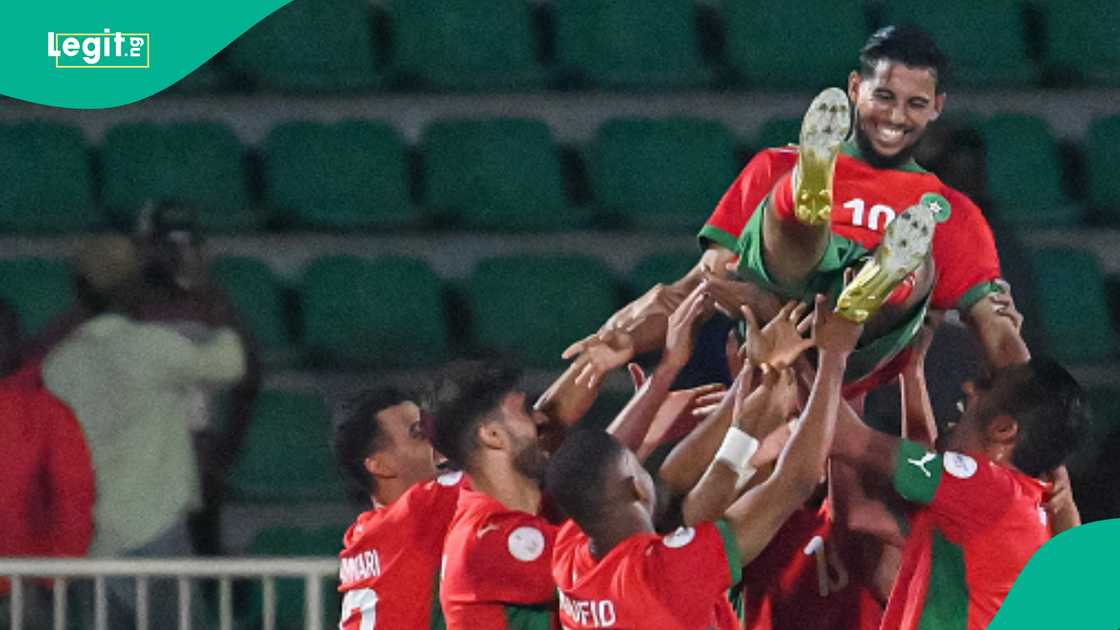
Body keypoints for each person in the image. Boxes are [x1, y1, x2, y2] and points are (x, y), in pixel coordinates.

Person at [545, 294, 864, 629]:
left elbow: (688, 483)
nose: (650, 471)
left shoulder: (571, 556)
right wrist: (833, 359)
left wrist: (762, 378)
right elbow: (794, 482)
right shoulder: (664, 576)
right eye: (640, 467)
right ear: (636, 487)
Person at [41, 235, 246, 628]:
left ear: (78, 289)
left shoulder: (60, 364)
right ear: (137, 288)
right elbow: (231, 362)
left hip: (93, 537)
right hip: (156, 527)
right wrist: (212, 301)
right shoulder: (153, 348)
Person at [829, 357, 1086, 629]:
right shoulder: (1021, 505)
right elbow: (922, 474)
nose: (969, 387)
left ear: (1003, 430)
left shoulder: (991, 490)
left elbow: (847, 440)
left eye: (985, 386)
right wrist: (911, 369)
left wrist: (823, 358)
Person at [333, 386, 467, 629]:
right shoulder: (418, 513)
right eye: (418, 433)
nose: (434, 439)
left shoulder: (363, 533)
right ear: (380, 465)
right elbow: (509, 450)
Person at [0, 332, 95, 630]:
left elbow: (74, 495)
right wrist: (56, 571)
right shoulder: (45, 410)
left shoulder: (45, 410)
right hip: (22, 580)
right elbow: (74, 495)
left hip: (21, 583)